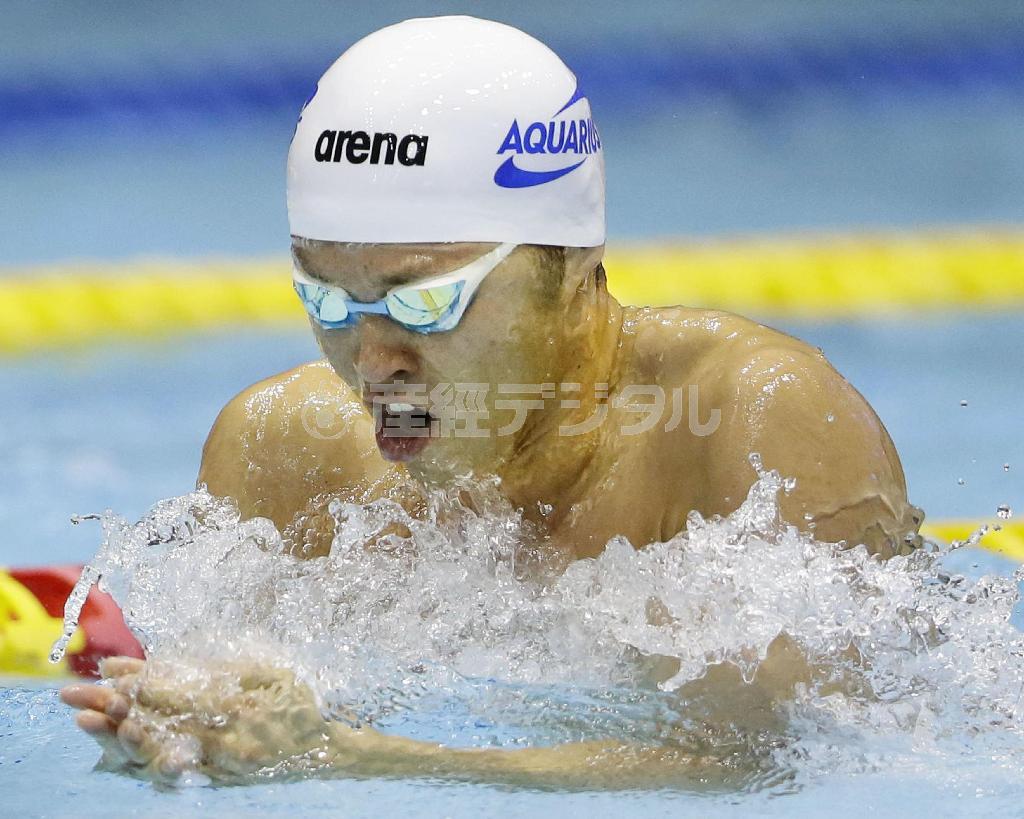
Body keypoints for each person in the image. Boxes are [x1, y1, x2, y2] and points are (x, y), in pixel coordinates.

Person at [62, 15, 922, 784]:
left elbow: (780, 762)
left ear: (574, 272)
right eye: (326, 302)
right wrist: (183, 741)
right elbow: (242, 729)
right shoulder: (281, 451)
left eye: (425, 303)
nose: (373, 363)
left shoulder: (757, 423)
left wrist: (358, 757)